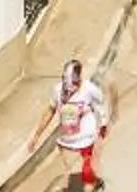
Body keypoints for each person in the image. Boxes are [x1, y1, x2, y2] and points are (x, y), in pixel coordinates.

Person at [29, 58, 107, 189]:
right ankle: (81, 183)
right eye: (67, 86)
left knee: (87, 172)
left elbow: (100, 105)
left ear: (79, 78)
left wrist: (102, 125)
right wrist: (36, 136)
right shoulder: (58, 90)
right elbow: (50, 111)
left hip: (86, 138)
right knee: (68, 171)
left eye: (74, 86)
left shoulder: (89, 89)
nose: (69, 92)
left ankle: (92, 180)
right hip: (65, 139)